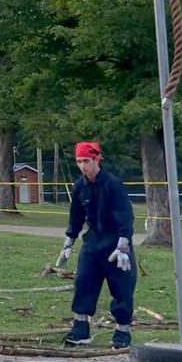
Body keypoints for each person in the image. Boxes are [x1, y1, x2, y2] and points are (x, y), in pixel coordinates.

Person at [57, 141, 136, 348]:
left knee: (121, 287)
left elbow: (125, 215)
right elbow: (76, 216)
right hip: (92, 243)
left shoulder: (113, 184)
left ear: (96, 160)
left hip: (115, 243)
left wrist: (124, 243)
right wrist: (69, 240)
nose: (82, 166)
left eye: (86, 161)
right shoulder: (79, 186)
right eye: (79, 161)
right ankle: (80, 330)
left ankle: (122, 333)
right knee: (84, 282)